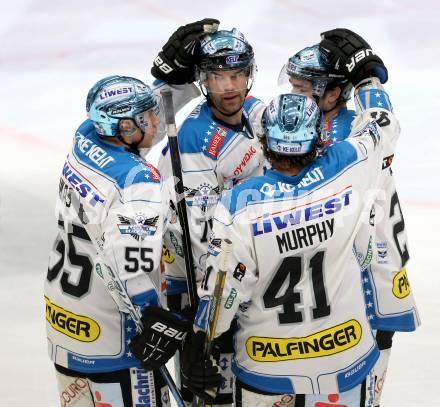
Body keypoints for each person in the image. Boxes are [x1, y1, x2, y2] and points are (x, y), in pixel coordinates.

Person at [181, 30, 407, 407]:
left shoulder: (239, 204)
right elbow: (384, 125)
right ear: (319, 140)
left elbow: (222, 290)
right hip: (344, 356)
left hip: (266, 367)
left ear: (263, 145)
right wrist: (368, 77)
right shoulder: (347, 168)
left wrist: (200, 339)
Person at [279, 34, 420, 406]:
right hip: (316, 295)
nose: (294, 96)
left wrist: (368, 80)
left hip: (368, 287)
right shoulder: (291, 125)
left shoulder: (357, 133)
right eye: (292, 86)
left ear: (332, 93)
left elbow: (384, 130)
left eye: (304, 88)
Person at [44, 75, 191, 407]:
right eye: (146, 118)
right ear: (125, 128)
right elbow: (131, 264)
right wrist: (152, 313)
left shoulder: (84, 137)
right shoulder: (138, 181)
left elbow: (121, 111)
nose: (156, 121)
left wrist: (169, 78)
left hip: (66, 319)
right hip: (116, 336)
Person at [150, 24, 267, 406]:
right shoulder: (196, 138)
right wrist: (206, 325)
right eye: (218, 77)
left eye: (237, 75)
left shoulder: (254, 111)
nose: (230, 86)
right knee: (212, 393)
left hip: (237, 274)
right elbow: (200, 240)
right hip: (200, 284)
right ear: (202, 80)